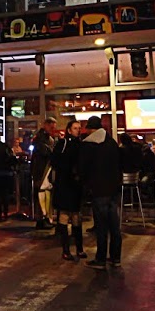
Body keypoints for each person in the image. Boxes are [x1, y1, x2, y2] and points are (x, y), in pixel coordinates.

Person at [79, 116, 121, 270]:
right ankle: (116, 257)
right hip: (113, 189)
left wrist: (86, 184)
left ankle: (101, 259)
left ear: (90, 129)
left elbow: (83, 168)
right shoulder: (112, 143)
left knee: (101, 226)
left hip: (98, 189)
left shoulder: (88, 145)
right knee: (114, 225)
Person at [49, 119, 86, 261]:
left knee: (76, 216)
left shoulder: (80, 145)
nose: (78, 130)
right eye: (75, 128)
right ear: (69, 130)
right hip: (65, 184)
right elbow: (55, 162)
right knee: (65, 215)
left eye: (79, 128)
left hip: (72, 185)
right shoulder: (63, 144)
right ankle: (67, 250)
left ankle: (78, 248)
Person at [30, 117, 59, 230]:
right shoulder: (41, 138)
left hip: (44, 169)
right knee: (42, 193)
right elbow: (44, 151)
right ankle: (42, 218)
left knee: (45, 193)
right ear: (46, 125)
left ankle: (45, 217)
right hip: (42, 169)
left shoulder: (44, 138)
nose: (52, 129)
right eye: (51, 127)